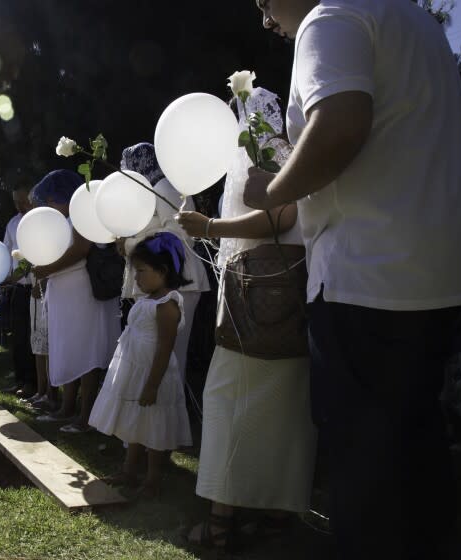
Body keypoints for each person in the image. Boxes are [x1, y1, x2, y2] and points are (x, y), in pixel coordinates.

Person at [242, 1, 461, 557]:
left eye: (262, 1)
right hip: (439, 276)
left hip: (367, 277)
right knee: (418, 458)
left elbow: (341, 123)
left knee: (366, 474)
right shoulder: (411, 18)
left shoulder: (332, 17)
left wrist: (272, 190)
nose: (265, 19)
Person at [177, 86, 316, 552]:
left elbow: (279, 216)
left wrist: (210, 228)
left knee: (226, 406)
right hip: (280, 297)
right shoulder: (285, 151)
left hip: (258, 297)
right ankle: (273, 518)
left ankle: (220, 524)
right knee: (283, 412)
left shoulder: (265, 151)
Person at [89, 233, 192, 498]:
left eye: (142, 272)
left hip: (152, 375)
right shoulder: (147, 300)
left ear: (163, 270)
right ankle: (129, 470)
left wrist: (152, 385)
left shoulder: (167, 305)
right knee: (134, 422)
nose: (136, 278)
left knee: (154, 426)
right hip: (134, 371)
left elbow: (164, 348)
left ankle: (153, 478)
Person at [31, 170, 121, 433]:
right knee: (69, 350)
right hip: (66, 295)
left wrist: (47, 269)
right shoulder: (67, 220)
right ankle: (66, 407)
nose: (47, 205)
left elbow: (81, 250)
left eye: (50, 199)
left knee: (87, 352)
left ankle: (85, 416)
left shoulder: (81, 215)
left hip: (82, 294)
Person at [116, 142, 210, 379]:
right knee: (149, 354)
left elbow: (178, 235)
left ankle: (170, 409)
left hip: (176, 281)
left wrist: (129, 243)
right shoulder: (148, 191)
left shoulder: (165, 187)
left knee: (169, 355)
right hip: (155, 280)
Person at [2, 186, 37, 396]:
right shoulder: (13, 223)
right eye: (16, 202)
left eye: (24, 201)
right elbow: (6, 252)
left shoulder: (40, 219)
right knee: (18, 338)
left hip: (37, 286)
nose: (20, 206)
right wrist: (5, 277)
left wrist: (16, 275)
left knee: (33, 338)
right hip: (17, 288)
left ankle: (33, 383)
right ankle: (20, 380)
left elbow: (34, 255)